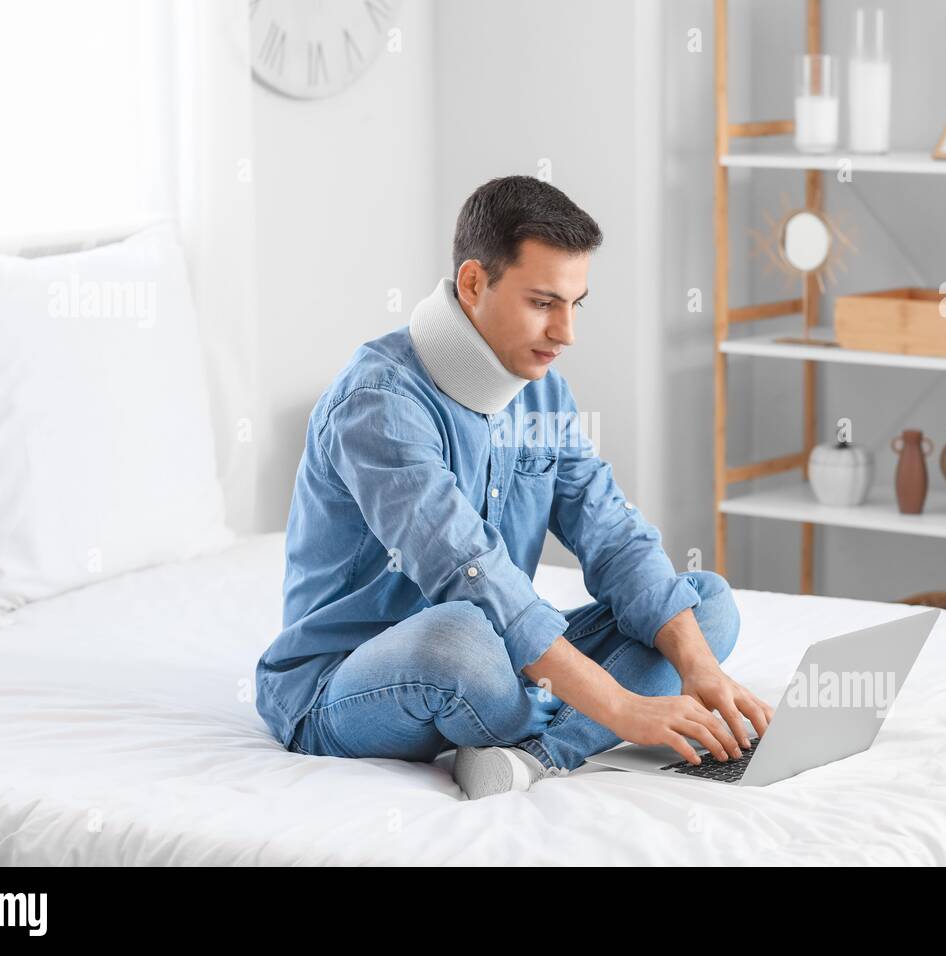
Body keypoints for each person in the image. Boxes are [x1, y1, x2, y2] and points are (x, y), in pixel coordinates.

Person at [255, 175, 774, 799]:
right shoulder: (379, 403)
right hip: (344, 683)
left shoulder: (542, 390)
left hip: (501, 660)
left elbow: (611, 533)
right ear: (473, 283)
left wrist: (696, 666)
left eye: (575, 304)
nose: (566, 332)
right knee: (461, 637)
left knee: (702, 605)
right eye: (543, 302)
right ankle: (566, 720)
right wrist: (624, 708)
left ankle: (531, 755)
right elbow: (470, 575)